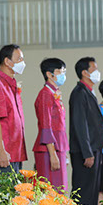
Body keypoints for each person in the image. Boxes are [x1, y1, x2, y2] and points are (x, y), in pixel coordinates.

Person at [0, 44, 27, 180]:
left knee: (16, 193)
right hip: (3, 154)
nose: (22, 63)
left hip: (14, 152)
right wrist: (1, 150)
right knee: (4, 193)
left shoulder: (11, 84)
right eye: (19, 59)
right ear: (7, 61)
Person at [68, 57, 103, 205]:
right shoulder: (79, 93)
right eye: (94, 69)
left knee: (92, 192)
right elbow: (80, 125)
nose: (97, 72)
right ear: (84, 73)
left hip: (94, 149)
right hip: (85, 152)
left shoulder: (88, 92)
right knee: (83, 192)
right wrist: (87, 152)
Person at [32, 58, 69, 193]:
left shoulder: (54, 93)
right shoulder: (45, 94)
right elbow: (46, 125)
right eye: (60, 71)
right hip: (48, 149)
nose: (63, 74)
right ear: (49, 74)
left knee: (60, 188)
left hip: (58, 147)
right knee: (51, 190)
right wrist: (52, 154)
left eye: (64, 71)